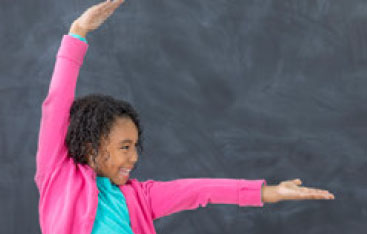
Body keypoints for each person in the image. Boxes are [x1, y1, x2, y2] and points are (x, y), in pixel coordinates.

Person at [34, 1, 335, 233]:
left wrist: (269, 192)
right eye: (125, 147)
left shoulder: (140, 197)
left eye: (136, 147)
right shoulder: (57, 176)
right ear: (90, 146)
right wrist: (78, 32)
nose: (134, 157)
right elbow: (56, 104)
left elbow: (200, 190)